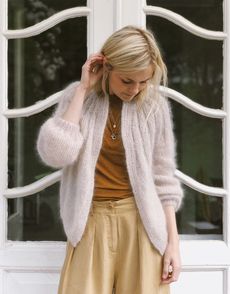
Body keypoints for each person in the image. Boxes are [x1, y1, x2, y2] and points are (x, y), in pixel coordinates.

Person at [36, 25, 184, 294]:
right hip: (90, 222)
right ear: (106, 67)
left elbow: (164, 178)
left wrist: (173, 243)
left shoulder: (155, 106)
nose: (135, 90)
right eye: (127, 80)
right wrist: (82, 90)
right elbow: (56, 154)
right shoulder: (77, 97)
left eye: (144, 81)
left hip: (142, 225)